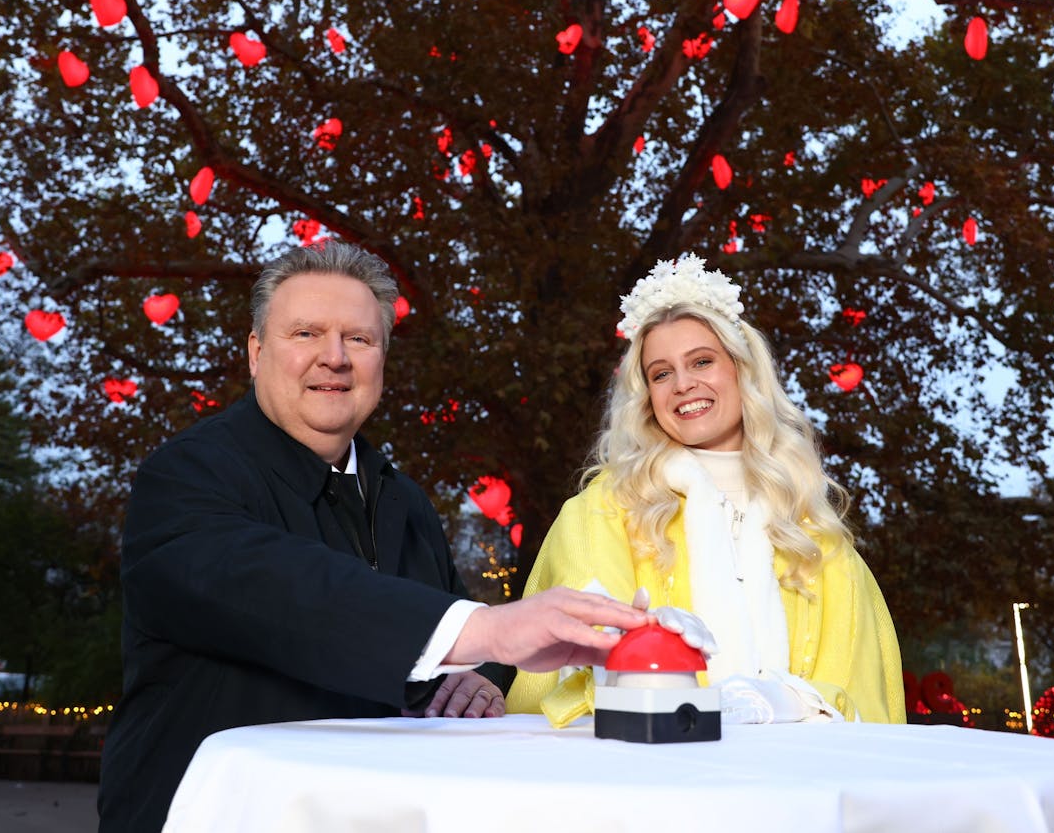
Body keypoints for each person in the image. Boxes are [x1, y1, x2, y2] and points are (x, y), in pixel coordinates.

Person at [98, 242, 648, 833]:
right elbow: (281, 589)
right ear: (256, 353)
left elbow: (454, 643)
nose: (333, 358)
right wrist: (486, 629)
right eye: (305, 333)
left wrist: (480, 679)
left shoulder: (402, 499)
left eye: (358, 339)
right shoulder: (186, 475)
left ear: (382, 358)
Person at [507, 255, 905, 727]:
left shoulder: (815, 534)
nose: (683, 385)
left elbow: (860, 691)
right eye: (660, 373)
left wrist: (785, 702)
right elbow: (586, 664)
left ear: (743, 370)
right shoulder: (604, 511)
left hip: (789, 786)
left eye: (701, 361)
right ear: (647, 398)